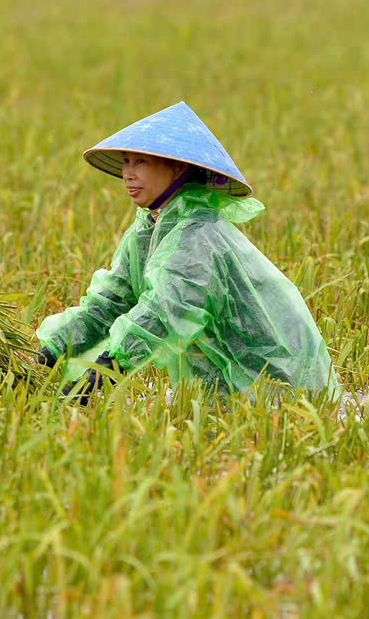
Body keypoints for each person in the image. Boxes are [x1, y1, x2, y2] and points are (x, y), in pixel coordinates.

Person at [35, 101, 338, 404]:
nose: (128, 173)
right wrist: (47, 353)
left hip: (280, 385)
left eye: (141, 162)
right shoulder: (149, 229)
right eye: (126, 161)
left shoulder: (199, 233)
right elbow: (109, 302)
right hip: (222, 387)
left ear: (177, 167)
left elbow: (165, 310)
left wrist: (100, 375)